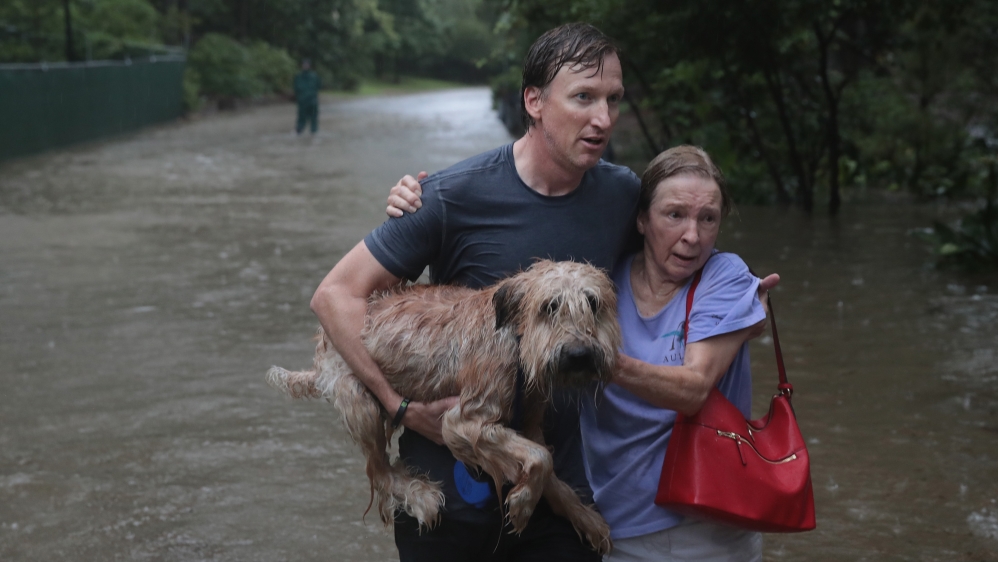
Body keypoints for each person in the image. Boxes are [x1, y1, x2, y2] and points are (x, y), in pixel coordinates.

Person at [311, 23, 637, 561]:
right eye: (584, 97)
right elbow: (334, 296)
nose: (603, 118)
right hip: (449, 494)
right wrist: (396, 405)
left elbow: (680, 248)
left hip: (557, 489)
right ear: (534, 101)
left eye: (613, 99)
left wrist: (735, 290)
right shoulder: (449, 195)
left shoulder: (622, 195)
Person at [579, 145, 769, 561]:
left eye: (708, 218)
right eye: (675, 215)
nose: (692, 236)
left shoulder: (725, 276)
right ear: (642, 219)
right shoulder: (602, 284)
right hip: (610, 523)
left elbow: (693, 389)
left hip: (704, 528)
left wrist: (597, 358)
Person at [293, 59, 320, 135]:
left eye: (307, 64)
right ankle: (299, 131)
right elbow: (295, 88)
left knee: (313, 118)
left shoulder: (314, 76)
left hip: (312, 100)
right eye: (304, 64)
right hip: (302, 100)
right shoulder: (298, 76)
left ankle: (314, 132)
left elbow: (318, 86)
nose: (305, 66)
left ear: (309, 66)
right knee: (301, 117)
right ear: (302, 65)